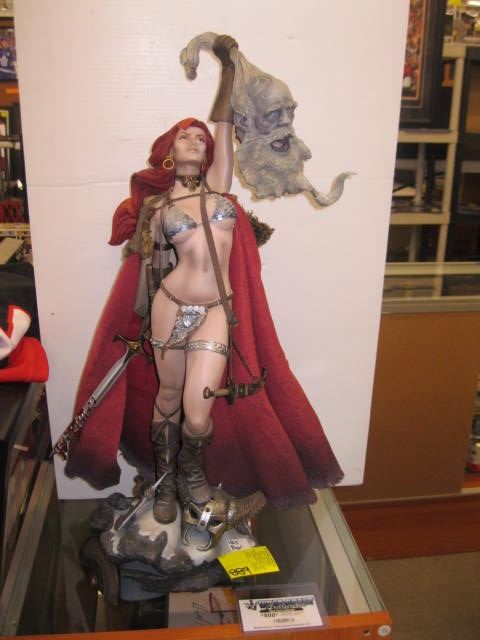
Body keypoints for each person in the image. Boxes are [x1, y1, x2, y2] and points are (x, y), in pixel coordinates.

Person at [63, 36, 344, 515]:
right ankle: (166, 482)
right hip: (169, 307)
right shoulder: (156, 205)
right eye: (184, 137)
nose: (195, 140)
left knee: (199, 409)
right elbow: (145, 269)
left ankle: (192, 474)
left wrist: (229, 66)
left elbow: (224, 122)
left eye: (200, 138)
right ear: (168, 152)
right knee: (168, 395)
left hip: (216, 310)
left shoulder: (217, 188)